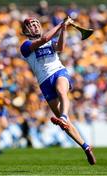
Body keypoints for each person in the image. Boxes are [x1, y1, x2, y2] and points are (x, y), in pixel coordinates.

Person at [20, 16, 96, 165]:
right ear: (25, 30)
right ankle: (86, 147)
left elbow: (60, 47)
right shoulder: (25, 45)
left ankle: (65, 116)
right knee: (66, 127)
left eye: (36, 24)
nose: (35, 26)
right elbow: (44, 39)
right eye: (31, 25)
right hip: (44, 82)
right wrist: (61, 25)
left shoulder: (49, 40)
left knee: (62, 91)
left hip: (59, 72)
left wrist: (64, 29)